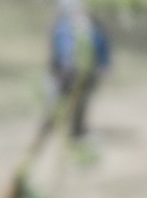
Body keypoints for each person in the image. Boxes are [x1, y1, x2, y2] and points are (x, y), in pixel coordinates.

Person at [49, 0, 111, 140]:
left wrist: (105, 65)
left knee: (82, 102)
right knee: (61, 99)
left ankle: (77, 129)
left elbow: (102, 46)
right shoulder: (63, 28)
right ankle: (56, 125)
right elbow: (60, 49)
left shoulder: (93, 28)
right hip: (67, 73)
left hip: (88, 73)